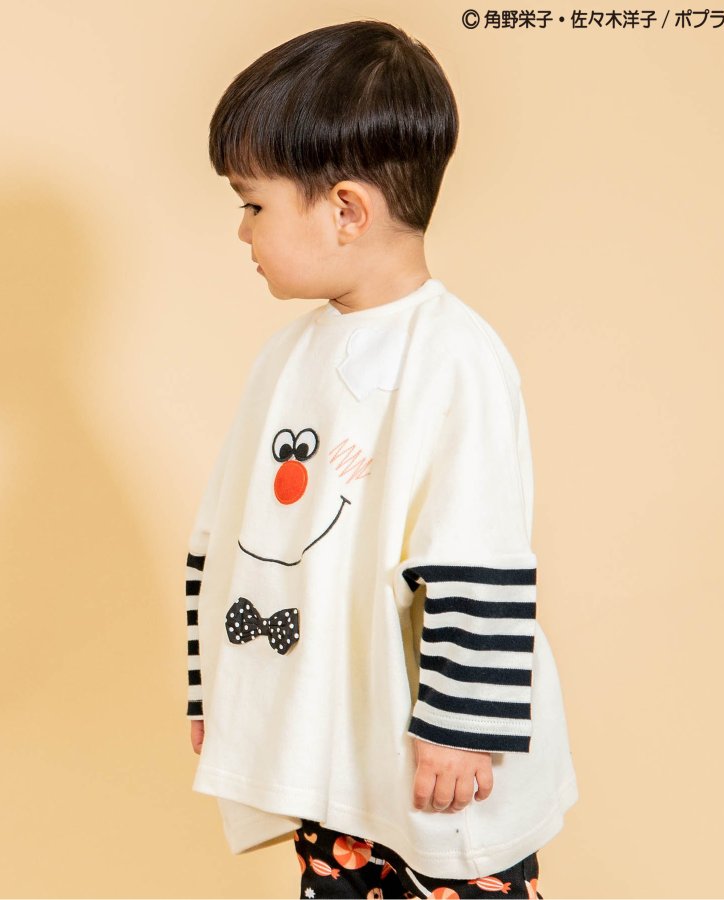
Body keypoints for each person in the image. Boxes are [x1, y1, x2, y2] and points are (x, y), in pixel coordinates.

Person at [183, 19, 578, 900]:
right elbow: (227, 538)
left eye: (254, 204)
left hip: (436, 754)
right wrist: (217, 693)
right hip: (328, 745)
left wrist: (461, 727)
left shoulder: (454, 357)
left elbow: (479, 554)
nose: (242, 231)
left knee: (453, 874)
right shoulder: (286, 360)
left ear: (346, 211)